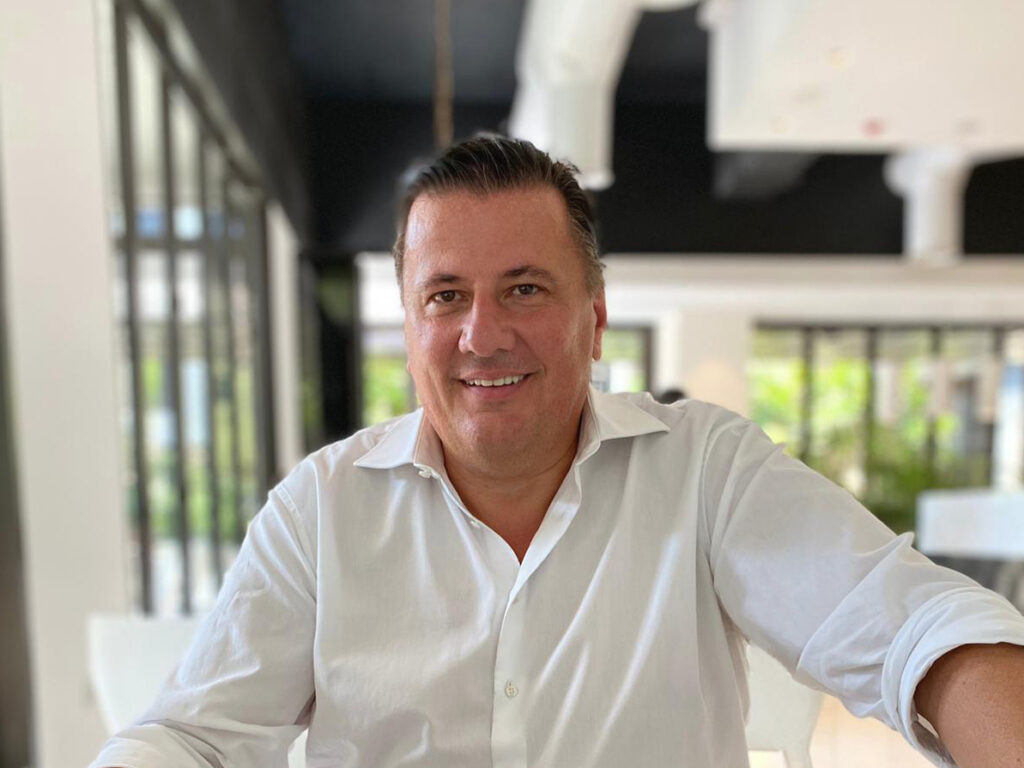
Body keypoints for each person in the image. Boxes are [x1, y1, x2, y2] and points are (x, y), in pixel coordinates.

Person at [91, 136, 1024, 768]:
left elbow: (914, 629)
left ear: (596, 319)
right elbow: (194, 738)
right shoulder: (320, 509)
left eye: (525, 289)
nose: (481, 335)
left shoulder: (704, 470)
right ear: (411, 328)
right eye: (445, 296)